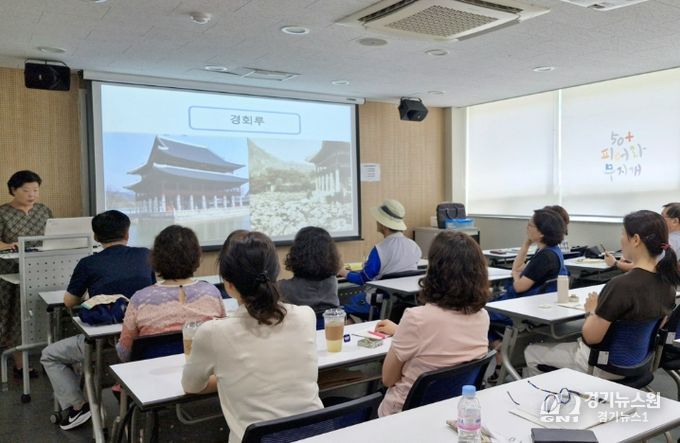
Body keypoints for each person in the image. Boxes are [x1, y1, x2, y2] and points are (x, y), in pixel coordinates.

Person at [182, 232, 323, 443]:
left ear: (228, 285)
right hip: (316, 435)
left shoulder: (212, 332)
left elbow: (191, 386)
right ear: (276, 274)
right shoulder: (306, 315)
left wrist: (228, 376)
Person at [524, 210, 680, 378]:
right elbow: (658, 324)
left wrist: (591, 310)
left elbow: (591, 337)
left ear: (635, 240)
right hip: (639, 363)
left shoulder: (620, 285)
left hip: (603, 366)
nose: (621, 239)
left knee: (531, 352)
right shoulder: (669, 283)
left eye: (623, 234)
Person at [40, 210, 155, 431]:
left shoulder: (88, 263)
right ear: (127, 233)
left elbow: (69, 301)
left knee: (49, 355)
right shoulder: (145, 255)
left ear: (96, 237)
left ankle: (77, 407)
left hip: (103, 346)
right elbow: (150, 289)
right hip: (142, 341)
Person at [373, 231, 490, 416]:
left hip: (404, 415)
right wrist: (401, 331)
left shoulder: (417, 318)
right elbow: (443, 336)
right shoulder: (482, 316)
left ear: (434, 271)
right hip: (450, 410)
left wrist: (405, 331)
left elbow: (388, 379)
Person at [116, 225, 225, 362]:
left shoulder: (140, 299)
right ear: (197, 256)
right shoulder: (211, 293)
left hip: (151, 372)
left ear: (156, 258)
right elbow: (223, 339)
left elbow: (124, 353)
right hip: (203, 371)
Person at [0, 170, 52, 377]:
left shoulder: (43, 210)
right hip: (11, 272)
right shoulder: (3, 213)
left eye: (35, 190)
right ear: (13, 190)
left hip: (42, 268)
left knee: (45, 312)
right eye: (26, 190)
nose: (32, 195)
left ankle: (51, 359)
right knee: (16, 314)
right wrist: (7, 245)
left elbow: (53, 235)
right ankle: (20, 365)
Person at [338, 199, 422, 320]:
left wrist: (342, 271)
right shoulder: (414, 246)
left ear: (383, 224)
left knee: (346, 305)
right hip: (403, 303)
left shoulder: (379, 250)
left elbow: (363, 279)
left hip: (379, 302)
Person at [278, 226, 342, 320]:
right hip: (331, 326)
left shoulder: (283, 288)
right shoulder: (332, 282)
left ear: (296, 252)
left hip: (303, 328)